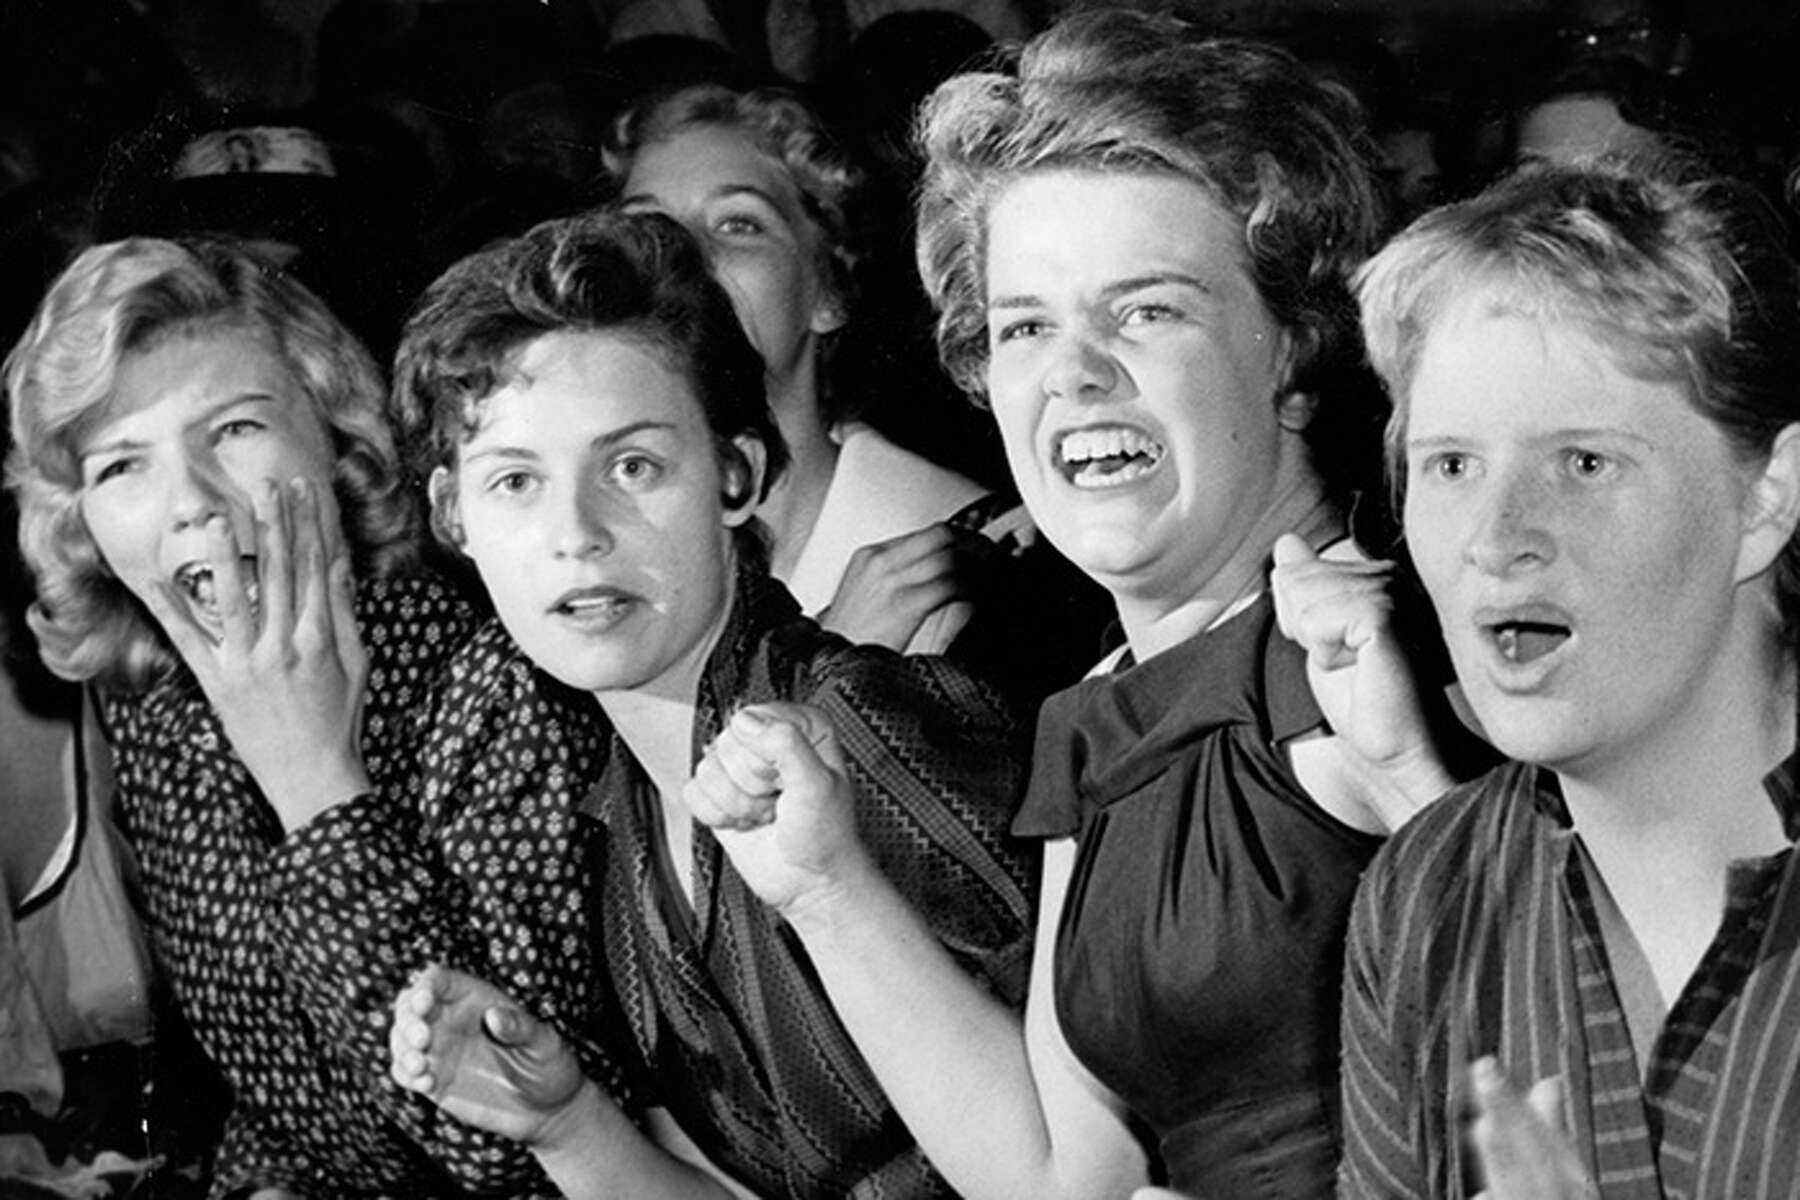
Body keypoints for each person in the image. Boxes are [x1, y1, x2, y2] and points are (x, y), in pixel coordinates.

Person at [679, 11, 1459, 1199]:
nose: (1074, 371)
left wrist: (1416, 786)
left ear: (1293, 344)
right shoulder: (1093, 713)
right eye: (1026, 325)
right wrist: (826, 885)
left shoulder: (1372, 657)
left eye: (1147, 310)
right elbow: (1054, 1176)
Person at [375, 209, 1035, 1198]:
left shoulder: (865, 724)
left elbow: (1090, 1162)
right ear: (453, 517)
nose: (576, 533)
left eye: (632, 467)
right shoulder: (624, 826)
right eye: (515, 481)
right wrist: (568, 1126)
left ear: (736, 474)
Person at [0, 236, 542, 1197]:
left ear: (338, 439)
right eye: (124, 467)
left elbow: (518, 1145)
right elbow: (288, 1087)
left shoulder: (495, 687)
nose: (193, 508)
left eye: (235, 431)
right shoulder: (161, 709)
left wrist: (316, 790)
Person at [1338, 156, 1800, 1198]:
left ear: (1768, 499)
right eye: (1452, 466)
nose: (1497, 542)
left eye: (1584, 463)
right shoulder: (1430, 894)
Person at [605, 81, 1112, 698]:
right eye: (648, 228)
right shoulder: (602, 556)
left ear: (827, 292)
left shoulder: (983, 559)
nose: (681, 257)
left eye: (738, 224)